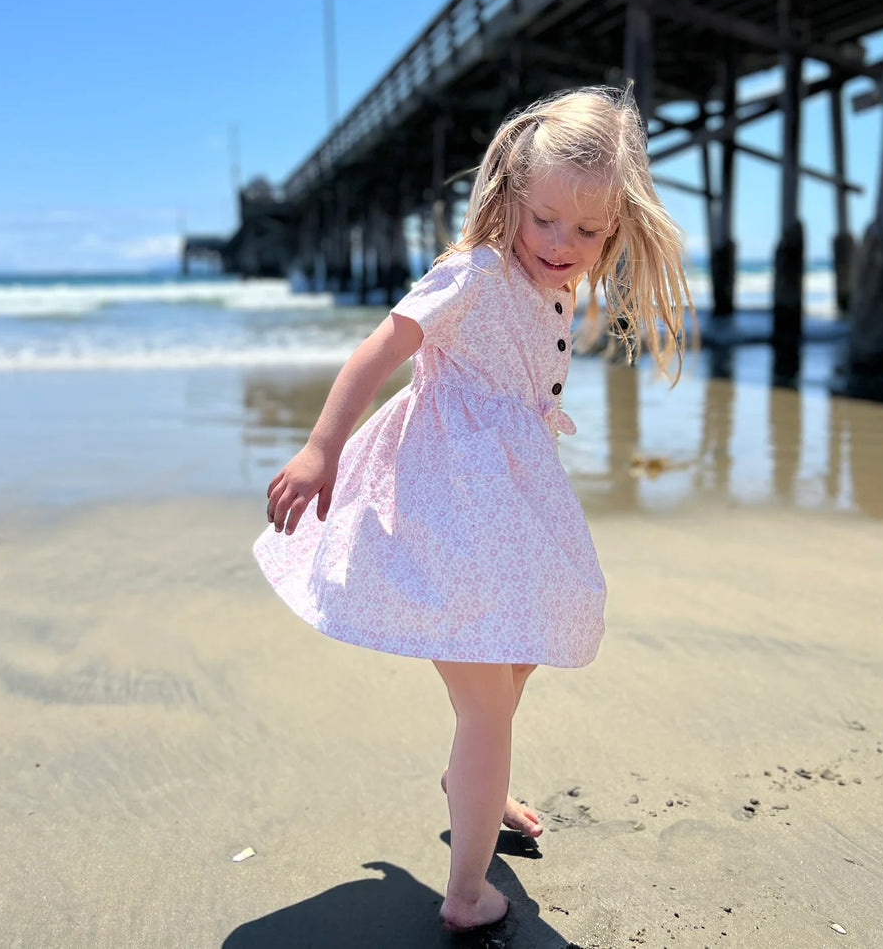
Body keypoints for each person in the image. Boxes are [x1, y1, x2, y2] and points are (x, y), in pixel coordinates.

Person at [253, 85, 691, 933]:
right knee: (486, 702)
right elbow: (379, 347)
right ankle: (463, 895)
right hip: (441, 509)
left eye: (588, 231)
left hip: (511, 511)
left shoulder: (553, 283)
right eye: (544, 220)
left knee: (519, 652)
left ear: (617, 225)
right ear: (508, 199)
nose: (561, 245)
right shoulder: (476, 273)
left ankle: (471, 781)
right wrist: (319, 448)